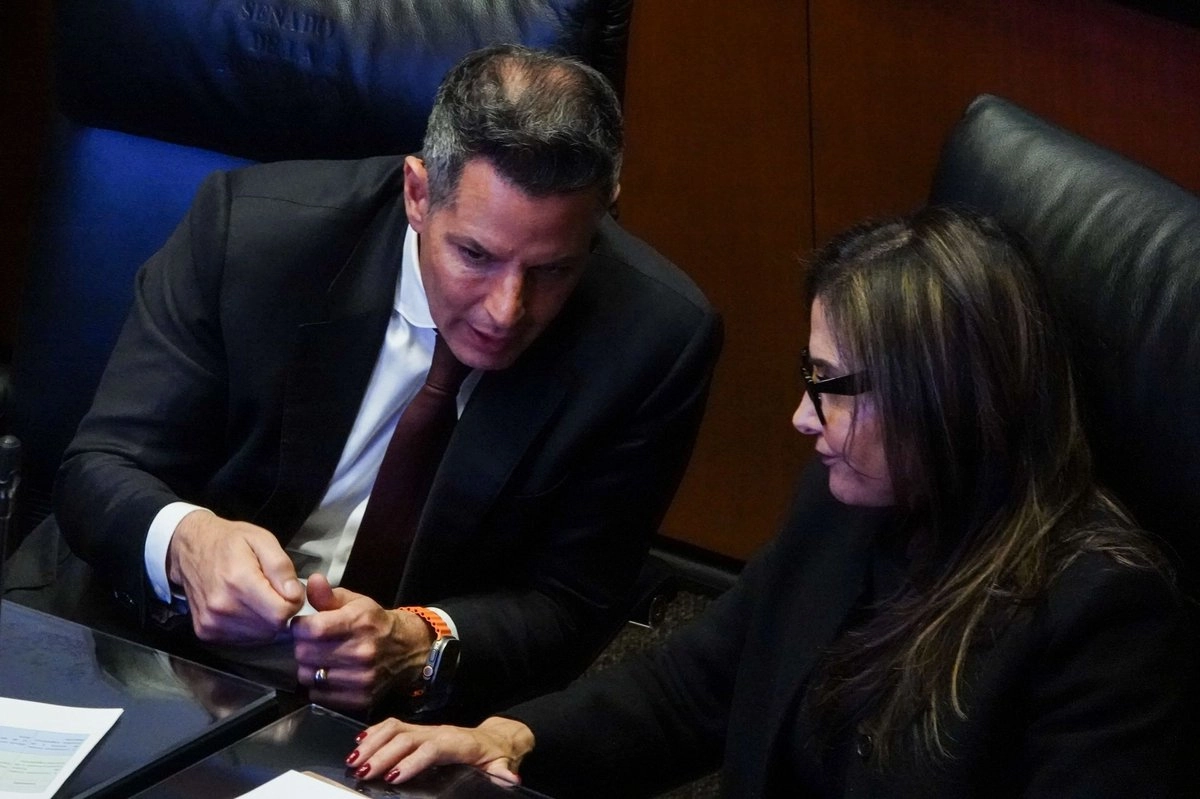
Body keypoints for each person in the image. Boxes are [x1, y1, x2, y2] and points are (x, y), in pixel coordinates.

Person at [344, 208, 1195, 796]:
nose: (800, 418)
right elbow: (697, 684)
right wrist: (511, 739)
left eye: (828, 387)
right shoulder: (848, 502)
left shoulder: (1102, 614)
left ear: (940, 396)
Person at [49, 44, 721, 720]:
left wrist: (421, 640)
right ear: (418, 193)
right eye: (475, 255)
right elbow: (99, 468)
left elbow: (571, 602)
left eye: (551, 270)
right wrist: (189, 541)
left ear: (603, 216)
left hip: (409, 710)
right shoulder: (250, 235)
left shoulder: (653, 340)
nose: (505, 309)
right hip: (166, 648)